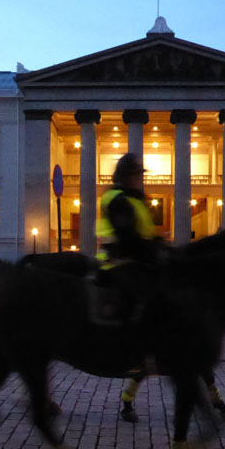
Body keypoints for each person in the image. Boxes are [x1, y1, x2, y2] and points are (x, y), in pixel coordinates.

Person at [95, 153, 161, 422]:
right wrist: (155, 251)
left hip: (135, 259)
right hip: (116, 261)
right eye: (137, 174)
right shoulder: (117, 199)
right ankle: (133, 354)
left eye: (141, 175)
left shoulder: (135, 199)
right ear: (125, 176)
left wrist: (160, 248)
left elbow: (145, 235)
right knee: (144, 299)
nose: (140, 179)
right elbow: (129, 238)